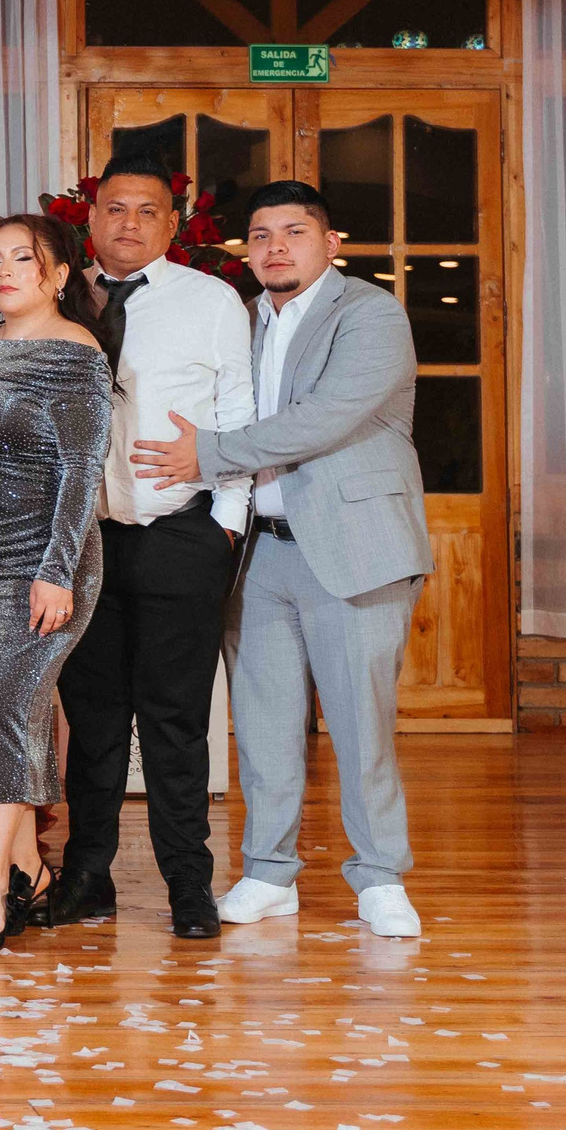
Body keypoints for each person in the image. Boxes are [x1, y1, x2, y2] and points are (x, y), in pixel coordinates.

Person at [132, 179, 431, 939]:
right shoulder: (243, 319)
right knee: (262, 727)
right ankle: (269, 874)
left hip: (355, 547)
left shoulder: (370, 314)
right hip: (260, 553)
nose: (275, 248)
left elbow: (323, 419)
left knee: (362, 727)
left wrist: (208, 454)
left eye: (294, 232)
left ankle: (380, 877)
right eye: (261, 235)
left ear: (331, 243)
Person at [44, 156, 254, 939]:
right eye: (114, 208)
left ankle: (188, 884)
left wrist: (224, 524)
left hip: (182, 533)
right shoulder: (60, 296)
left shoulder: (210, 300)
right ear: (91, 217)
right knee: (92, 718)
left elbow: (239, 412)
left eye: (146, 210)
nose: (128, 223)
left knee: (176, 720)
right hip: (85, 541)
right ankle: (87, 876)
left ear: (172, 223)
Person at [0, 212, 114, 953]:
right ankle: (31, 869)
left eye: (24, 259)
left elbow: (81, 471)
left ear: (59, 275)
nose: (4, 272)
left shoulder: (77, 354)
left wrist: (56, 571)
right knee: (2, 710)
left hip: (39, 565)